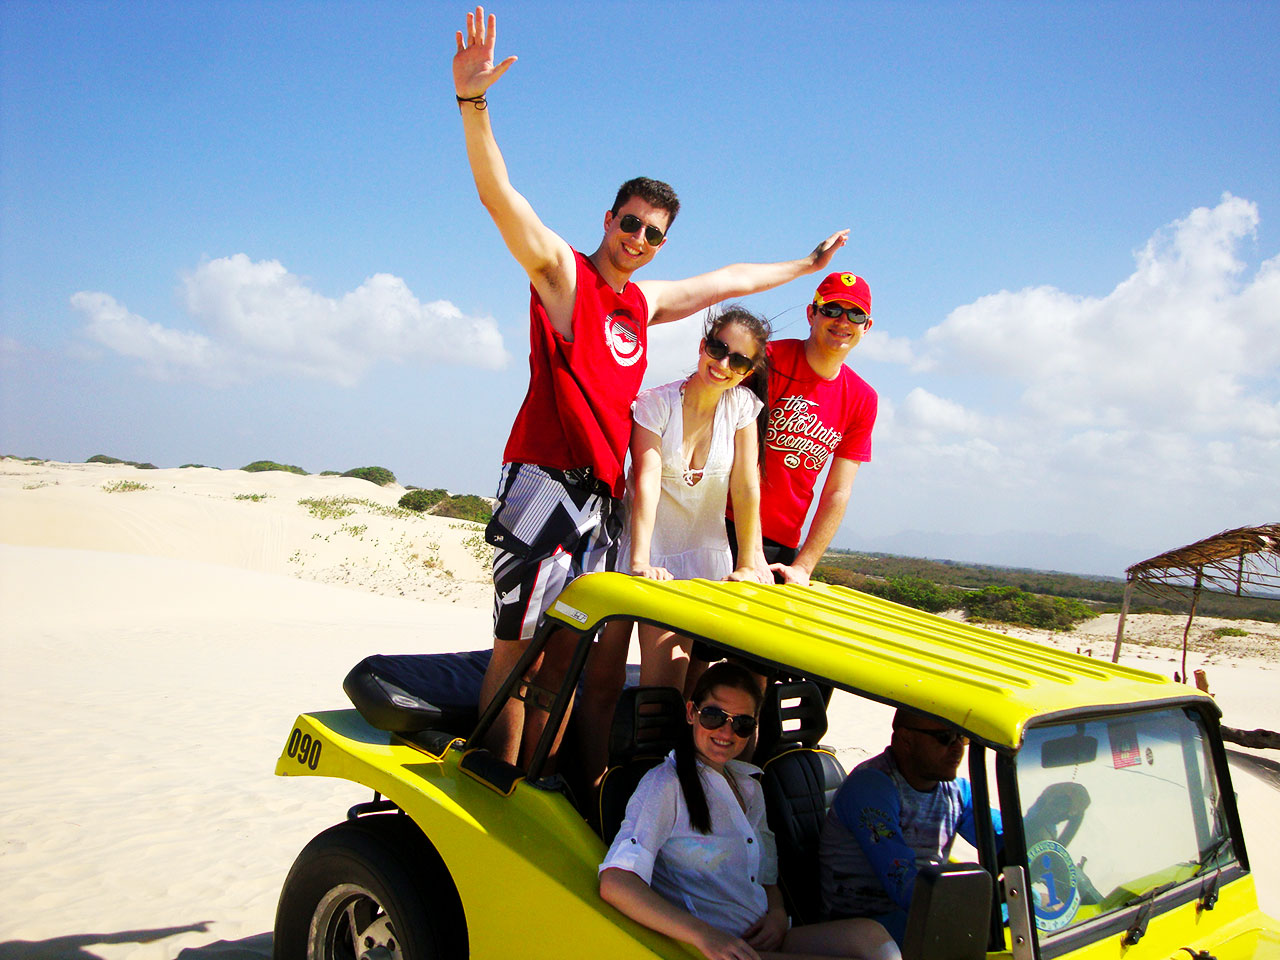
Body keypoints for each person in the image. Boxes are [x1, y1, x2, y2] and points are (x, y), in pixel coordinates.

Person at [453, 7, 849, 767]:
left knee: (567, 656)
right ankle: (494, 778)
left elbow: (726, 281)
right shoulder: (568, 278)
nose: (638, 239)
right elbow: (501, 200)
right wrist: (474, 105)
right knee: (519, 645)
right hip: (543, 480)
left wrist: (803, 267)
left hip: (600, 497)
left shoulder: (642, 302)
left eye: (653, 233)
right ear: (608, 218)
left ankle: (540, 785)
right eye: (630, 223)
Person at [580, 307, 773, 784]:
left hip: (705, 555)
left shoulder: (742, 409)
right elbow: (643, 481)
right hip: (644, 547)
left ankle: (661, 794)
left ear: (750, 371)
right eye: (718, 348)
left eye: (740, 361)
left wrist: (751, 560)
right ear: (703, 344)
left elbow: (746, 486)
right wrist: (641, 562)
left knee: (676, 692)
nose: (724, 364)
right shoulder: (656, 404)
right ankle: (588, 785)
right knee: (604, 683)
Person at [600, 662, 901, 960]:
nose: (726, 731)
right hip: (709, 948)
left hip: (758, 937)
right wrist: (703, 935)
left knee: (873, 937)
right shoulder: (665, 785)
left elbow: (766, 880)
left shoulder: (749, 785)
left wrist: (779, 914)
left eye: (742, 723)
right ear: (692, 713)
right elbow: (616, 882)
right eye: (714, 716)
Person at [730, 271, 878, 586]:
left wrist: (804, 565)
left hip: (782, 543)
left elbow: (838, 490)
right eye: (832, 309)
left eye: (855, 314)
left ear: (867, 326)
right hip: (723, 521)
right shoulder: (769, 359)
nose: (843, 321)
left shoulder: (863, 398)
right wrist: (751, 550)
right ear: (811, 313)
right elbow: (746, 456)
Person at [817, 710, 1003, 946]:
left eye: (961, 738)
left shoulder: (956, 791)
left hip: (918, 913)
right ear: (906, 740)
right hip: (861, 929)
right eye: (945, 738)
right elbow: (903, 883)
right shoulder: (871, 789)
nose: (958, 749)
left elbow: (1004, 838)